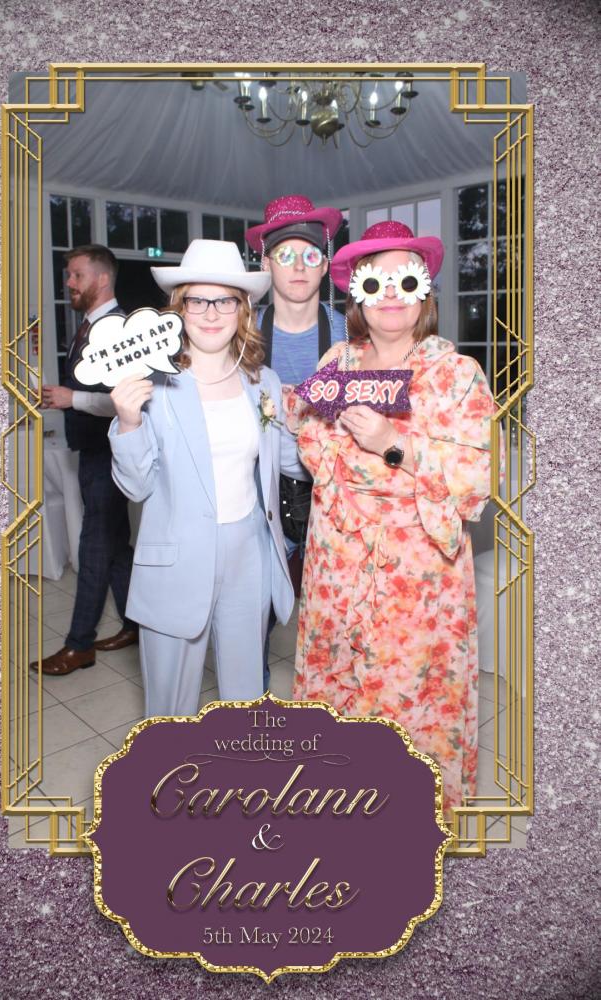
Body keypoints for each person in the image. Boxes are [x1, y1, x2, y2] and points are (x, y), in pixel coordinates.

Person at [288, 220, 495, 813]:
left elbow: (475, 476)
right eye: (374, 284)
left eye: (405, 281)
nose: (391, 296)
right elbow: (310, 438)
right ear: (357, 295)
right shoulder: (338, 360)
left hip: (416, 576)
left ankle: (410, 820)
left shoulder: (456, 375)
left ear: (424, 291)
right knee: (339, 684)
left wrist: (390, 445)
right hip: (337, 563)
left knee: (407, 692)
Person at [108, 239, 303, 717]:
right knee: (169, 710)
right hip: (175, 562)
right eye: (198, 300)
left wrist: (324, 434)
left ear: (243, 309)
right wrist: (128, 423)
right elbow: (136, 487)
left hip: (249, 556)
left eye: (225, 301)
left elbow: (290, 464)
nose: (211, 313)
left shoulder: (264, 382)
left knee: (244, 700)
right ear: (179, 308)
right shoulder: (151, 384)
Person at [245, 195, 346, 684]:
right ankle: (249, 705)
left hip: (333, 496)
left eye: (309, 255)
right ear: (266, 265)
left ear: (325, 265)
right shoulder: (242, 335)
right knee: (252, 615)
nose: (299, 266)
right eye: (285, 255)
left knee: (339, 618)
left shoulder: (350, 335)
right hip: (258, 492)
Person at [31, 244, 138, 677]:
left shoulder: (118, 329)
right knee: (115, 546)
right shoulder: (90, 325)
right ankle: (135, 624)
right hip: (95, 453)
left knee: (93, 546)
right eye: (69, 275)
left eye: (77, 275)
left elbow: (126, 402)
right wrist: (68, 399)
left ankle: (79, 646)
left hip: (111, 454)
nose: (69, 283)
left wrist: (71, 398)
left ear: (102, 279)